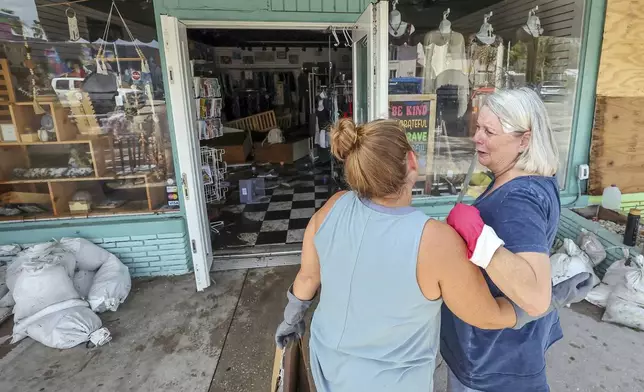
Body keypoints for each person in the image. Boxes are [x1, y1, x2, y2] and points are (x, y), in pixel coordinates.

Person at [275, 118, 536, 392]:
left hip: (327, 365)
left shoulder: (334, 206)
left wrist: (291, 317)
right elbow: (487, 315)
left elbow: (307, 278)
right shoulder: (436, 242)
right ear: (412, 162)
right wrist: (535, 306)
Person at [442, 87, 582, 392]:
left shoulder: (520, 198)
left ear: (525, 139)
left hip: (493, 361)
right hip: (506, 350)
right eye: (479, 127)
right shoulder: (524, 179)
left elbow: (535, 297)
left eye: (489, 131)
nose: (477, 137)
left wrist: (478, 240)